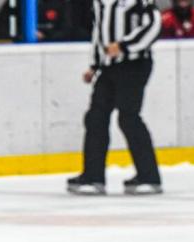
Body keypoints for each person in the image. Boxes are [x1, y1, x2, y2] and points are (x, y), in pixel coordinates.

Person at [68, 0, 163, 195]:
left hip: (135, 64)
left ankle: (149, 176)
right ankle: (93, 176)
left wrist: (124, 46)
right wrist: (94, 64)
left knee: (128, 117)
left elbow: (154, 25)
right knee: (96, 117)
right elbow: (99, 30)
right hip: (109, 66)